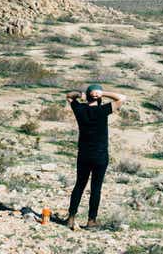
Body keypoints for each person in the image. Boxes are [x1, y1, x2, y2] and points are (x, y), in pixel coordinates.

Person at [65, 83, 127, 230]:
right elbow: (122, 98)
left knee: (79, 185)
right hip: (100, 156)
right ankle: (91, 220)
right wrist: (102, 93)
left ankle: (71, 217)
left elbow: (69, 96)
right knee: (96, 188)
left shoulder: (80, 109)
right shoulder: (103, 110)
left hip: (84, 155)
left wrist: (84, 94)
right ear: (98, 99)